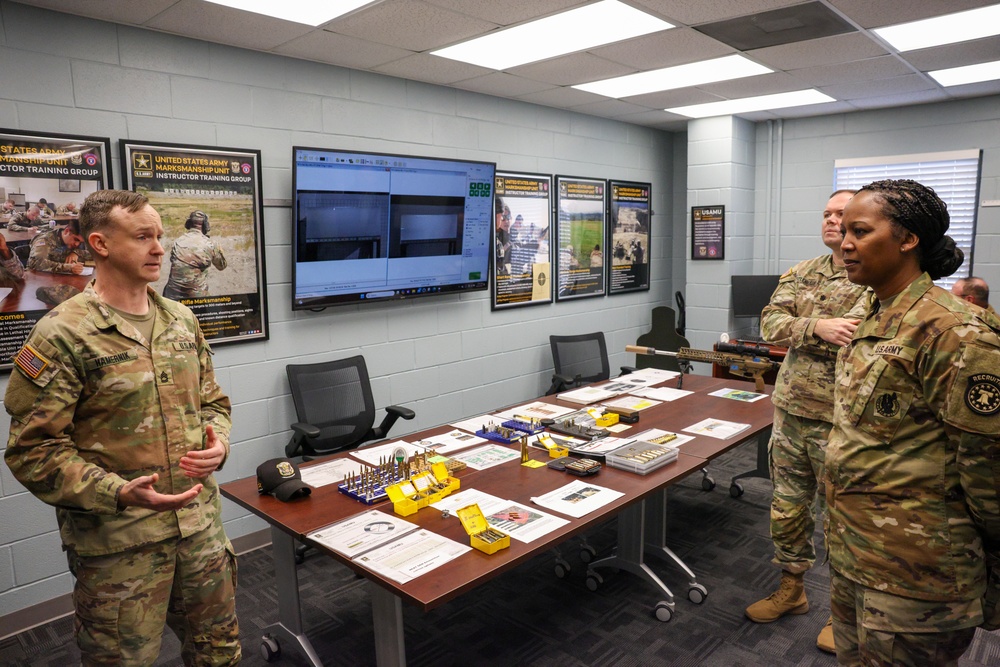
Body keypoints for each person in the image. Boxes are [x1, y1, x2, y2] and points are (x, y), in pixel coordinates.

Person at [4, 189, 240, 665]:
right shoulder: (62, 333)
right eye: (143, 237)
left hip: (200, 534)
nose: (159, 248)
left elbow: (213, 405)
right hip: (121, 549)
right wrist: (117, 492)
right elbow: (33, 451)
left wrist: (220, 444)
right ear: (101, 243)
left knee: (219, 655)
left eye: (159, 236)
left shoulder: (180, 320)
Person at [827, 179, 1000, 665]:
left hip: (918, 579)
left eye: (860, 231)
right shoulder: (872, 314)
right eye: (843, 231)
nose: (844, 244)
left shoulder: (956, 333)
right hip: (855, 554)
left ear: (907, 240)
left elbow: (989, 471)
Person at [745, 189, 869, 654]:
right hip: (792, 412)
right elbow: (769, 323)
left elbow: (855, 334)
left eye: (843, 215)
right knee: (788, 510)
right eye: (827, 214)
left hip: (844, 420)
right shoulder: (803, 272)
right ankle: (792, 591)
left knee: (842, 520)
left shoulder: (876, 278)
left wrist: (803, 324)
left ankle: (844, 616)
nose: (833, 222)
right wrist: (816, 327)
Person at [162, 210, 227, 300]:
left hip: (172, 296)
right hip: (196, 298)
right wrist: (218, 249)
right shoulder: (210, 244)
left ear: (188, 224)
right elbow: (221, 266)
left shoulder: (178, 241)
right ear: (205, 225)